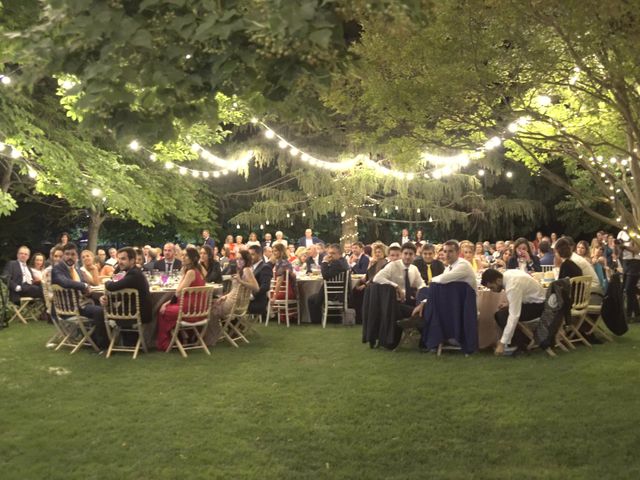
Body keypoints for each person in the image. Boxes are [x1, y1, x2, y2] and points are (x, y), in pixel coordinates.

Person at [51, 242, 107, 349]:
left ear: (76, 256)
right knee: (99, 311)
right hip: (70, 308)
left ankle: (95, 339)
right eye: (67, 254)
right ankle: (103, 345)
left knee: (104, 305)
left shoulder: (77, 269)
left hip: (81, 303)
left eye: (73, 254)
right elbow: (65, 282)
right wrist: (84, 285)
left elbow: (90, 286)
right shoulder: (57, 269)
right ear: (63, 255)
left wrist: (92, 293)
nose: (70, 257)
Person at [481, 268, 546, 355]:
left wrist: (502, 343)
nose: (492, 290)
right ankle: (520, 342)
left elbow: (514, 316)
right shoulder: (508, 274)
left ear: (499, 280)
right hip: (537, 302)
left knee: (502, 316)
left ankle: (521, 345)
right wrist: (509, 304)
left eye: (492, 287)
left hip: (539, 307)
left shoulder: (512, 286)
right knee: (501, 314)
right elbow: (524, 293)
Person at [156, 247, 206, 351]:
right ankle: (182, 337)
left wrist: (166, 304)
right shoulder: (199, 270)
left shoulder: (190, 272)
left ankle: (165, 343)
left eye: (186, 255)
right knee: (166, 307)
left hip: (188, 310)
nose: (183, 257)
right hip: (199, 309)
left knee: (162, 311)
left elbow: (178, 292)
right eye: (182, 255)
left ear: (193, 258)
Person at [100, 247, 152, 333]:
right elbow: (124, 295)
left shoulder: (134, 274)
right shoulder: (131, 272)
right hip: (132, 312)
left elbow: (112, 286)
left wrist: (107, 281)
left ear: (132, 260)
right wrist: (108, 300)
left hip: (137, 315)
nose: (120, 262)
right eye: (119, 259)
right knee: (101, 310)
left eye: (123, 259)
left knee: (99, 313)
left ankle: (103, 343)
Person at [373, 242, 425, 316]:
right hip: (395, 303)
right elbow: (377, 278)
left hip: (410, 300)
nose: (407, 257)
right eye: (405, 253)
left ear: (415, 256)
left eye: (410, 254)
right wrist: (396, 286)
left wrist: (421, 296)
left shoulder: (414, 269)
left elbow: (422, 285)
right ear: (401, 254)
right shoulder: (392, 265)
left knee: (426, 308)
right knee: (422, 312)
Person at [211, 250, 259, 322]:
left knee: (210, 307)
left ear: (246, 260)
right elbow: (235, 290)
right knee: (214, 303)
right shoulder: (241, 270)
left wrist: (240, 281)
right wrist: (225, 296)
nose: (238, 261)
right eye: (237, 259)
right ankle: (219, 331)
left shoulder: (247, 270)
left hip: (234, 303)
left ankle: (212, 332)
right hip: (235, 301)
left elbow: (256, 288)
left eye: (241, 259)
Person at [307, 243, 349, 324]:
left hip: (334, 294)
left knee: (311, 299)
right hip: (339, 292)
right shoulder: (342, 261)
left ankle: (316, 322)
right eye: (329, 253)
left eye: (333, 253)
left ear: (340, 254)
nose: (330, 255)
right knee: (313, 297)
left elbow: (325, 276)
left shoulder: (337, 263)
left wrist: (324, 262)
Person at [247, 245, 273, 319]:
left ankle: (235, 328)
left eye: (252, 254)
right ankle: (235, 328)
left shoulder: (265, 267)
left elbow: (265, 286)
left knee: (229, 307)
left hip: (257, 302)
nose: (249, 257)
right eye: (249, 255)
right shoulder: (250, 267)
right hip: (246, 300)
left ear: (259, 255)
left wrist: (252, 296)